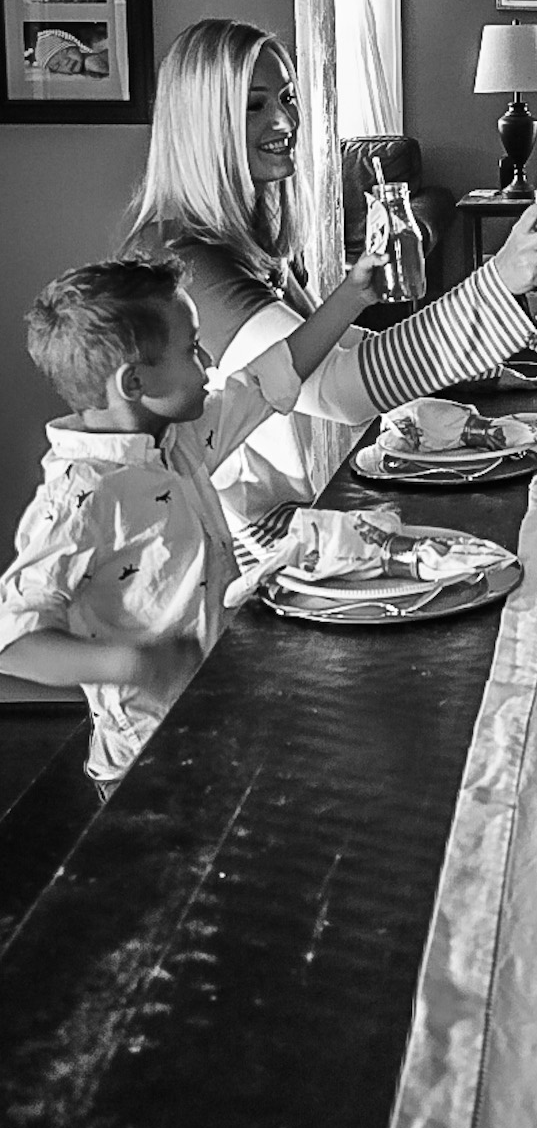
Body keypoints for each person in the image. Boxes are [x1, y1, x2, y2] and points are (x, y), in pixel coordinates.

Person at [126, 19, 537, 559]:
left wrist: (482, 369)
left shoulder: (239, 243)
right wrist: (498, 282)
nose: (283, 119)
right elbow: (336, 391)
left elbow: (340, 344)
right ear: (202, 125)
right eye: (254, 105)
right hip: (250, 554)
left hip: (304, 517)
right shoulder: (185, 264)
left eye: (288, 97)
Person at [0, 249, 382, 784]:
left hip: (223, 715)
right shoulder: (78, 499)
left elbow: (269, 377)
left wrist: (352, 297)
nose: (209, 365)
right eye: (192, 350)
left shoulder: (177, 439)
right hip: (147, 762)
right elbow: (11, 641)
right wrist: (133, 665)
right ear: (135, 384)